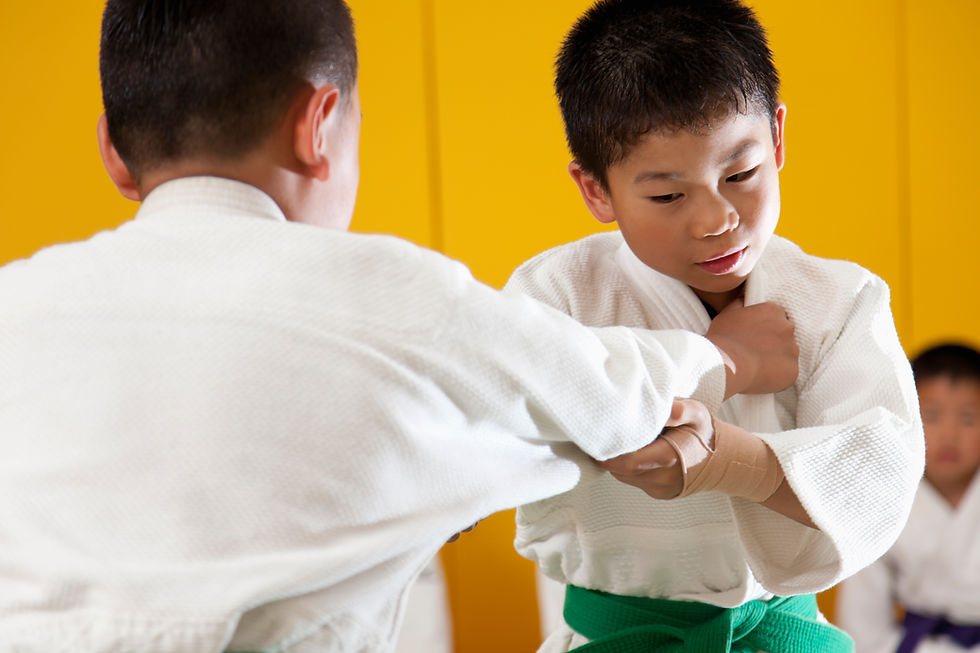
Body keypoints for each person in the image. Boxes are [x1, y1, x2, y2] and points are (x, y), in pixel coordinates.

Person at [0, 1, 802, 651]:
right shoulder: (382, 292)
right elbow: (596, 389)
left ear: (112, 151)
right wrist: (719, 356)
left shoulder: (15, 304)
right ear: (319, 125)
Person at [502, 0, 924, 650]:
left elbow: (881, 468)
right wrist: (712, 361)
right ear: (597, 191)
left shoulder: (837, 299)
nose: (715, 219)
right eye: (669, 195)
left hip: (780, 630)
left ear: (778, 137)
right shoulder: (556, 293)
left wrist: (728, 461)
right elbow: (519, 417)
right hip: (620, 635)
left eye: (741, 173)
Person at [837, 343, 980, 653]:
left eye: (968, 419)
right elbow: (862, 626)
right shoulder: (881, 499)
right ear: (906, 416)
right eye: (932, 416)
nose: (950, 435)